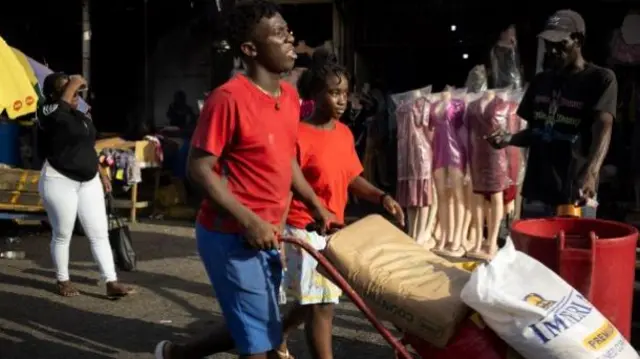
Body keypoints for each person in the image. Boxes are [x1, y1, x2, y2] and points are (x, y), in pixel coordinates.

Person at [154, 1, 333, 358]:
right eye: (279, 34)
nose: (290, 40)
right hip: (229, 236)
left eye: (289, 31)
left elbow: (285, 160)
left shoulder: (291, 95)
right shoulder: (228, 99)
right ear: (250, 50)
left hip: (269, 235)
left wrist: (314, 203)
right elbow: (199, 168)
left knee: (258, 324)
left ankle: (177, 354)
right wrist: (249, 220)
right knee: (261, 343)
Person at [276, 51, 405, 359]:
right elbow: (286, 189)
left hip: (332, 228)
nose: (342, 100)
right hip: (303, 229)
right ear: (315, 94)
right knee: (323, 304)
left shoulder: (344, 133)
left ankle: (278, 334)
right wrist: (279, 236)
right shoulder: (297, 135)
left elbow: (351, 176)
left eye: (345, 93)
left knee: (314, 298)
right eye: (334, 93)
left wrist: (381, 197)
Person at [487, 10, 617, 219]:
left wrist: (591, 172)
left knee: (573, 249)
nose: (553, 50)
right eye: (548, 44)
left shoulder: (600, 79)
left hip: (576, 188)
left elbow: (604, 127)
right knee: (532, 249)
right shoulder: (541, 81)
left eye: (560, 43)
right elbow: (537, 132)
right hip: (537, 187)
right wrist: (508, 138)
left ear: (578, 40)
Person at [37, 72, 133, 298]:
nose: (75, 94)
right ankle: (63, 280)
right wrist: (74, 84)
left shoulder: (80, 115)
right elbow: (59, 113)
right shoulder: (47, 111)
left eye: (76, 91)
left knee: (99, 232)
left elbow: (89, 146)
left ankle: (111, 281)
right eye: (67, 90)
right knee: (63, 233)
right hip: (59, 180)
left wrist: (101, 172)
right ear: (54, 94)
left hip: (88, 180)